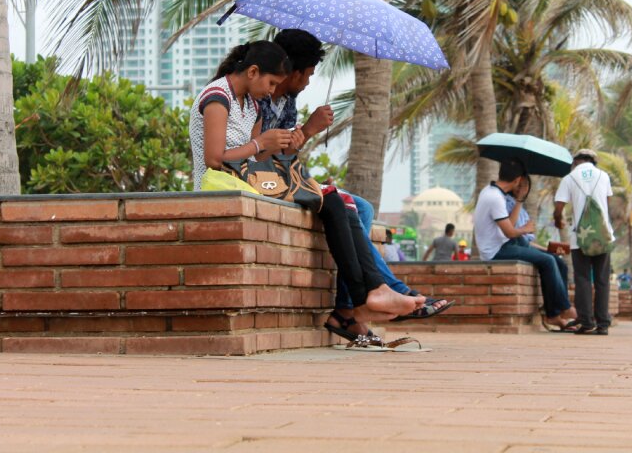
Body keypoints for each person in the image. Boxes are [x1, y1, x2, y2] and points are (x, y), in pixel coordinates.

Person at [190, 40, 423, 328]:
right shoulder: (217, 97)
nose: (272, 91)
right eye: (272, 82)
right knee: (336, 203)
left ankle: (370, 294)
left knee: (340, 203)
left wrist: (275, 144)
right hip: (221, 187)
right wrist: (260, 142)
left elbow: (257, 157)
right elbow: (215, 159)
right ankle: (369, 296)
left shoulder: (251, 105)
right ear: (252, 72)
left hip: (253, 183)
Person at [258, 29, 451, 339]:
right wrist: (308, 130)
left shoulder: (288, 100)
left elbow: (285, 151)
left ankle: (349, 310)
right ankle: (375, 297)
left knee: (360, 206)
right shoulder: (261, 100)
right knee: (346, 204)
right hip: (269, 183)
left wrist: (303, 137)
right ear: (291, 71)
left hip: (286, 177)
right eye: (307, 74)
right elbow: (261, 152)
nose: (308, 81)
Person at [474, 157, 575, 331]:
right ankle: (564, 308)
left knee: (557, 261)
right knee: (548, 261)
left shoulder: (493, 193)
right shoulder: (494, 197)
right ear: (518, 179)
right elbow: (511, 232)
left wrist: (520, 201)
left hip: (507, 243)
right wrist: (526, 228)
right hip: (496, 250)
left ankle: (554, 314)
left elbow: (510, 227)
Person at [554, 149, 614, 336]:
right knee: (602, 280)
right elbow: (607, 202)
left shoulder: (569, 178)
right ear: (593, 162)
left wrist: (558, 221)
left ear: (576, 162)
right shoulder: (603, 176)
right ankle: (603, 324)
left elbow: (559, 207)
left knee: (583, 280)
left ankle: (587, 323)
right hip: (603, 235)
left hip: (579, 238)